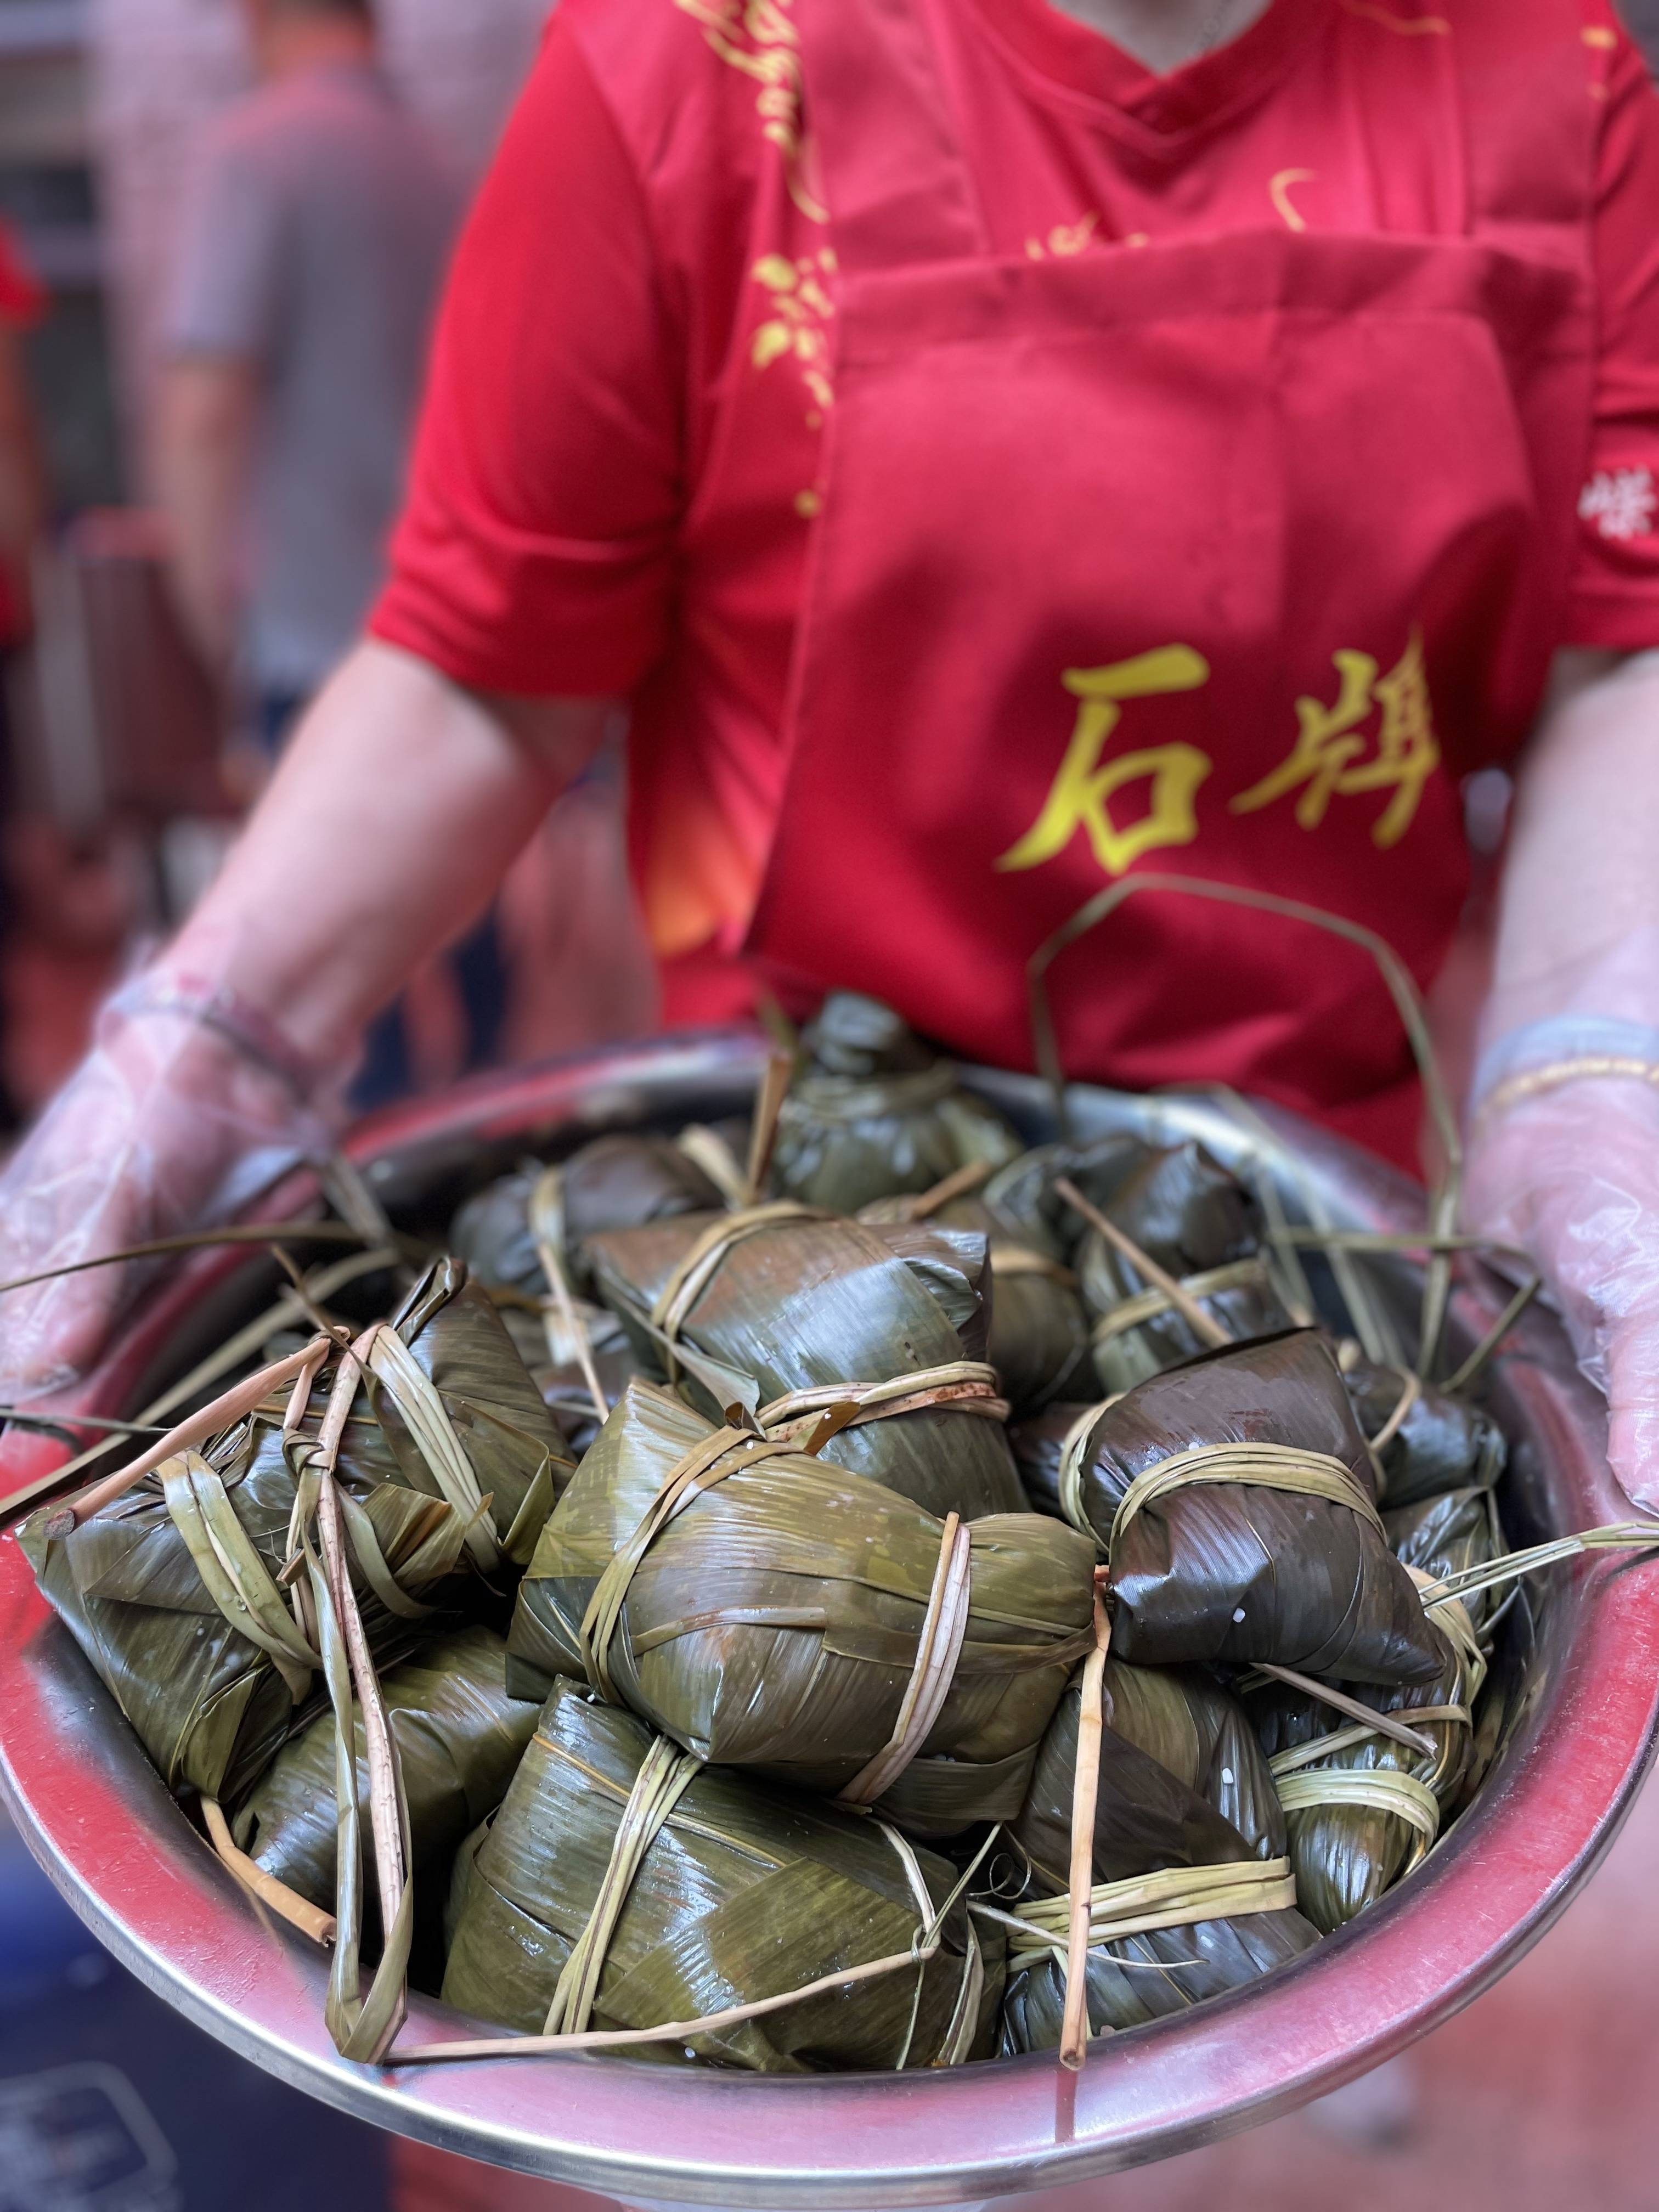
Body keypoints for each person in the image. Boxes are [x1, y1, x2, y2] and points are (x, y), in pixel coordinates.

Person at [5, 0, 1659, 1510]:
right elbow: (486, 669)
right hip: (787, 1237)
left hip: (1307, 1251)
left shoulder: (1555, 76)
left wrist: (1588, 1072)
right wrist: (211, 1035)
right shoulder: (694, 56)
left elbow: (1619, 652)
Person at [154, 0, 504, 1100]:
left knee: (341, 1015)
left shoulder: (254, 155)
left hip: (314, 640)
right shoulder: (443, 164)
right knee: (475, 960)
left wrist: (205, 611)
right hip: (458, 642)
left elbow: (205, 410)